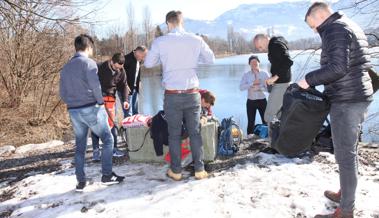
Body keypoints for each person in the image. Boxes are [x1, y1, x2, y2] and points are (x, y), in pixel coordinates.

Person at [298, 2, 373, 217]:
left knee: (345, 154)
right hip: (356, 96)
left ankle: (346, 210)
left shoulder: (335, 29)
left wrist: (307, 80)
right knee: (349, 150)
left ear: (320, 16)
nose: (315, 31)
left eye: (313, 26)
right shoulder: (348, 24)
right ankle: (345, 193)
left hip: (347, 100)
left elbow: (338, 68)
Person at [144, 10, 215, 181]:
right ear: (182, 22)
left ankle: (176, 171)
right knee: (195, 133)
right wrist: (191, 60)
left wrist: (165, 59)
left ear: (168, 23)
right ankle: (199, 170)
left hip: (172, 95)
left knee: (174, 134)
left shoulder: (160, 41)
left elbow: (148, 63)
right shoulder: (196, 39)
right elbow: (210, 60)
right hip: (192, 94)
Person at [59, 34, 124, 192]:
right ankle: (107, 175)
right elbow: (95, 87)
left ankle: (81, 181)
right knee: (108, 140)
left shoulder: (66, 67)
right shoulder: (89, 63)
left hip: (74, 111)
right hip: (91, 108)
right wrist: (101, 102)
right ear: (88, 47)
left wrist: (72, 103)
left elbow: (62, 93)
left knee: (80, 146)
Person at [91, 53, 130, 160]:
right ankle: (96, 151)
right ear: (111, 61)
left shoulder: (121, 71)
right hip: (97, 99)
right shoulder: (100, 67)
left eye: (120, 67)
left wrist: (126, 100)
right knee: (97, 125)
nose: (118, 69)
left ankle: (114, 149)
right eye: (116, 67)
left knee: (112, 123)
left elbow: (124, 86)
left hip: (111, 99)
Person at [253, 33, 293, 126]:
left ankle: (272, 140)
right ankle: (282, 138)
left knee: (268, 116)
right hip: (282, 82)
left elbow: (288, 61)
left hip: (281, 84)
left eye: (260, 47)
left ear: (264, 40)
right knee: (280, 115)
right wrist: (272, 78)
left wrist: (275, 77)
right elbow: (281, 62)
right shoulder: (277, 42)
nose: (260, 50)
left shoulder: (275, 45)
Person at [239, 55, 270, 136]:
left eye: (256, 62)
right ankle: (249, 140)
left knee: (266, 121)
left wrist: (260, 88)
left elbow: (269, 89)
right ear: (249, 64)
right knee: (250, 122)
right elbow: (241, 87)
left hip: (262, 101)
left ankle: (267, 138)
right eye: (252, 62)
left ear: (259, 62)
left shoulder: (264, 74)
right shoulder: (246, 75)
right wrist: (252, 84)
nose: (254, 63)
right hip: (251, 102)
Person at [120, 46, 148, 118]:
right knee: (129, 113)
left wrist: (139, 81)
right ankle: (128, 128)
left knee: (135, 111)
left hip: (135, 88)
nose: (143, 58)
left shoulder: (138, 60)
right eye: (143, 56)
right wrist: (125, 85)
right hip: (126, 90)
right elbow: (119, 74)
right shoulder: (125, 59)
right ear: (138, 52)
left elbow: (137, 72)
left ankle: (135, 128)